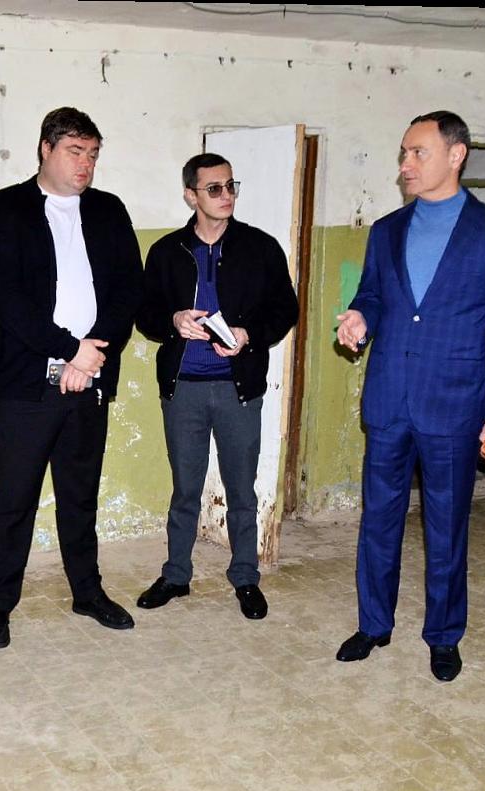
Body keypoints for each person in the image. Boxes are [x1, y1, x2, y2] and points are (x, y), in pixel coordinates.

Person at [334, 110, 485, 682]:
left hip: (455, 403)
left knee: (446, 527)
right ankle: (374, 624)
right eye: (403, 153)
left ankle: (444, 636)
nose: (406, 164)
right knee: (379, 520)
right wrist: (360, 318)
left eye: (418, 152)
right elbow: (373, 295)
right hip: (390, 399)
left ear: (456, 155)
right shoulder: (387, 230)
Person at [0, 106, 143, 649]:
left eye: (92, 153)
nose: (85, 163)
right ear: (45, 149)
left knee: (80, 495)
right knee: (15, 500)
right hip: (25, 386)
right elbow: (8, 301)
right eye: (74, 151)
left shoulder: (109, 211)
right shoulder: (7, 210)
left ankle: (87, 592)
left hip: (90, 380)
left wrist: (91, 358)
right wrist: (71, 351)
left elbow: (128, 291)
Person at [135, 153, 298, 619]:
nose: (226, 196)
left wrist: (248, 334)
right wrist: (173, 320)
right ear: (191, 195)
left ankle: (246, 576)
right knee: (185, 489)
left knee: (241, 490)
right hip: (183, 388)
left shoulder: (260, 247)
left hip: (236, 388)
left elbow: (285, 309)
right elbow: (144, 314)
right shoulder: (167, 252)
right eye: (214, 188)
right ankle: (175, 575)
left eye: (230, 186)